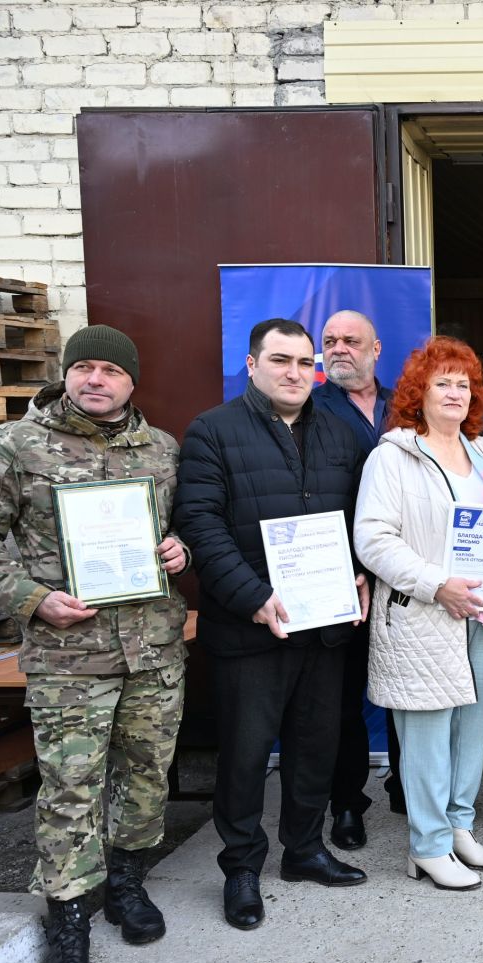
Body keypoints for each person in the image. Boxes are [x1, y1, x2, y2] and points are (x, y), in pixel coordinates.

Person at [0, 325, 191, 963]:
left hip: (151, 647)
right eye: (84, 367)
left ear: (131, 381)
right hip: (69, 655)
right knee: (70, 787)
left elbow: (182, 526)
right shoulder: (16, 445)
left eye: (110, 370)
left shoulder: (161, 448)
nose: (95, 380)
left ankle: (127, 882)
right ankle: (69, 919)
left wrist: (181, 550)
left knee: (146, 775)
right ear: (67, 374)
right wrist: (30, 598)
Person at [173, 317, 372, 931]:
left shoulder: (340, 433)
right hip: (249, 630)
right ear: (252, 365)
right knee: (246, 755)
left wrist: (360, 573)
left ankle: (305, 850)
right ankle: (240, 868)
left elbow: (362, 520)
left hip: (325, 628)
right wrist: (253, 596)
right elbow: (200, 524)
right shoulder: (213, 431)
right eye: (280, 360)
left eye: (305, 363)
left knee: (316, 746)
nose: (294, 373)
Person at [353, 336, 483, 890]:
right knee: (428, 735)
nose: (456, 393)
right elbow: (373, 541)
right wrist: (438, 586)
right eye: (443, 383)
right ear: (419, 392)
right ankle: (428, 845)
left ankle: (459, 826)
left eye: (464, 384)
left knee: (472, 729)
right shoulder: (393, 457)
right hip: (424, 617)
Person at [314, 309, 399, 850]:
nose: (339, 348)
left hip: (406, 576)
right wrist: (348, 566)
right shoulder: (310, 409)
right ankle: (347, 803)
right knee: (343, 697)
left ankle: (408, 787)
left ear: (376, 348)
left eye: (351, 340)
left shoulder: (407, 405)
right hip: (342, 578)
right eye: (330, 341)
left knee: (409, 687)